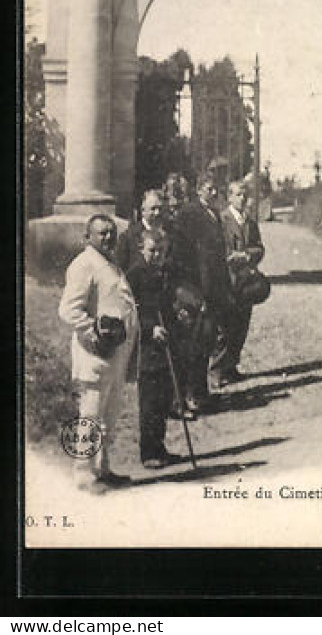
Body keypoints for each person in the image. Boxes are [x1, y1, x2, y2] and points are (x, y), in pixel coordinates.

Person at [58, 215, 139, 491]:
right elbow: (68, 310)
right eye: (102, 233)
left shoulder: (110, 263)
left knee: (110, 413)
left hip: (117, 352)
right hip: (95, 352)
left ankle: (102, 468)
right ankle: (83, 473)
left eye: (112, 232)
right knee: (90, 413)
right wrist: (91, 330)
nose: (108, 237)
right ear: (88, 237)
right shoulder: (84, 264)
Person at [171, 175, 234, 408]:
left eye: (217, 189)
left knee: (207, 341)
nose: (214, 193)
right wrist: (194, 291)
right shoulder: (189, 214)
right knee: (194, 343)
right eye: (210, 189)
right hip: (198, 288)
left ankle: (200, 391)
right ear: (199, 191)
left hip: (214, 288)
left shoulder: (213, 214)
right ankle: (189, 394)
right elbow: (186, 255)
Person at [125, 230, 184, 468]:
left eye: (160, 251)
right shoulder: (135, 275)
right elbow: (130, 311)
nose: (157, 255)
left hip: (167, 341)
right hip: (147, 345)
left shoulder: (165, 272)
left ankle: (160, 448)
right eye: (152, 250)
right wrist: (150, 330)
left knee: (163, 397)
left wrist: (179, 313)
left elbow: (169, 303)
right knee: (149, 399)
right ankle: (148, 452)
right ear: (141, 249)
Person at [215, 179, 267, 385]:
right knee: (224, 326)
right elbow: (218, 249)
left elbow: (259, 248)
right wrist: (231, 256)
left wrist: (248, 256)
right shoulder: (222, 220)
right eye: (238, 195)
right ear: (229, 197)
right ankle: (217, 370)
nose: (242, 198)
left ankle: (231, 365)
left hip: (246, 282)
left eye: (244, 195)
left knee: (241, 324)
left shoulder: (250, 222)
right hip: (228, 280)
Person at [114, 188, 166, 273]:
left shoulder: (170, 234)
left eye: (160, 209)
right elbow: (120, 269)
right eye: (153, 209)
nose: (157, 213)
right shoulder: (128, 236)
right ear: (143, 210)